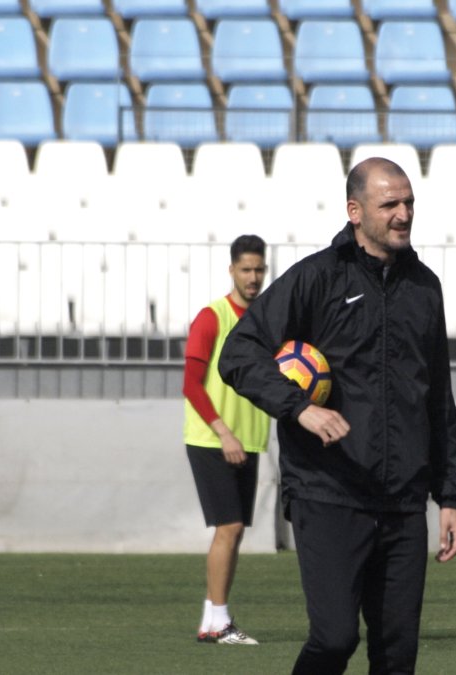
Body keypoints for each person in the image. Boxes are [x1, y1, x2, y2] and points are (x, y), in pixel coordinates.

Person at [218, 157, 456, 674]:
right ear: (355, 211)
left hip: (403, 501)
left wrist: (449, 494)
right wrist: (299, 408)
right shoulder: (316, 278)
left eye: (409, 202)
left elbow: (437, 396)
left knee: (397, 655)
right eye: (390, 204)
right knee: (333, 640)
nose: (404, 214)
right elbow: (238, 354)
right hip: (328, 492)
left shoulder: (425, 288)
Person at [184, 234, 270, 646]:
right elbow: (191, 384)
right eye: (246, 270)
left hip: (248, 441)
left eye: (259, 270)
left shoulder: (266, 321)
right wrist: (222, 432)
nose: (253, 278)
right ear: (232, 270)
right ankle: (217, 621)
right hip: (212, 439)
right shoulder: (212, 316)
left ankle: (213, 618)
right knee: (229, 526)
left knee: (233, 531)